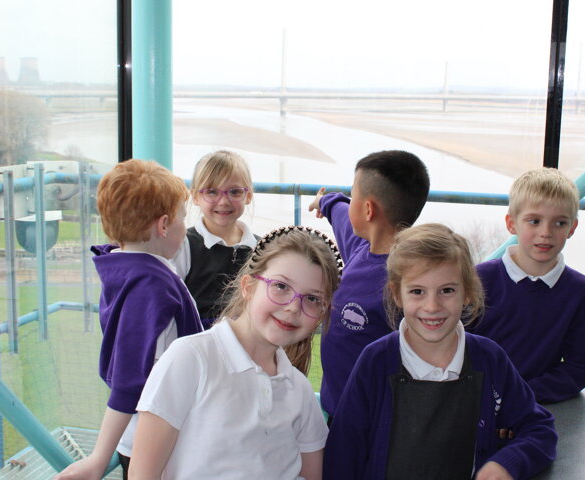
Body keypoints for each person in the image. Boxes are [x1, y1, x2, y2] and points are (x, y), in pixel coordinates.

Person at [324, 223, 557, 480]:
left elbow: (539, 428)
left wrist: (506, 463)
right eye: (417, 291)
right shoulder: (375, 362)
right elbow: (343, 452)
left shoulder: (489, 359)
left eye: (447, 290)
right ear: (397, 294)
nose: (432, 306)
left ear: (467, 292)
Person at [128, 226, 343, 480]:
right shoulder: (191, 358)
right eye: (281, 286)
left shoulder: (299, 390)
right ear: (248, 287)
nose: (294, 307)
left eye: (313, 299)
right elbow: (143, 474)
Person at [55, 159, 204, 480]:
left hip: (153, 437)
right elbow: (129, 376)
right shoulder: (150, 287)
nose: (185, 227)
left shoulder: (126, 268)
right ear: (164, 225)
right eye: (183, 217)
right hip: (158, 445)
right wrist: (99, 458)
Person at [308, 149, 429, 421]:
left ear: (367, 210)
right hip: (336, 411)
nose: (348, 200)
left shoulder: (409, 284)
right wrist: (323, 201)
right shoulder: (361, 247)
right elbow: (340, 212)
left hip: (376, 420)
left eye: (353, 194)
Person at [467, 167, 585, 403]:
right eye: (534, 221)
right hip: (474, 402)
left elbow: (580, 368)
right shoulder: (478, 280)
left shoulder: (580, 291)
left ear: (572, 228)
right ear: (511, 223)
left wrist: (520, 397)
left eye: (559, 223)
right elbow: (454, 347)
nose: (546, 232)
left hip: (536, 407)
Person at [172, 150, 257, 329]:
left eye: (234, 192)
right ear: (195, 197)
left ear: (248, 196)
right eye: (212, 192)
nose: (223, 201)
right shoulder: (183, 245)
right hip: (197, 340)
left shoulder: (261, 248)